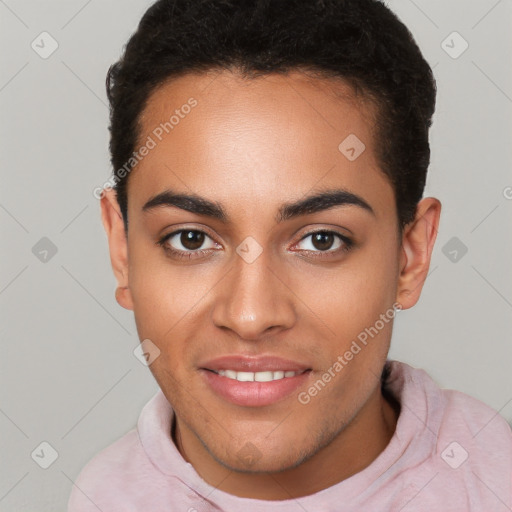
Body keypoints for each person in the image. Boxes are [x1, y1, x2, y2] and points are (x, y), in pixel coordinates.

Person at [68, 0, 512, 510]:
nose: (251, 315)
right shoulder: (100, 498)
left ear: (410, 257)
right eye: (190, 239)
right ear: (122, 249)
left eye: (322, 240)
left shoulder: (494, 479)